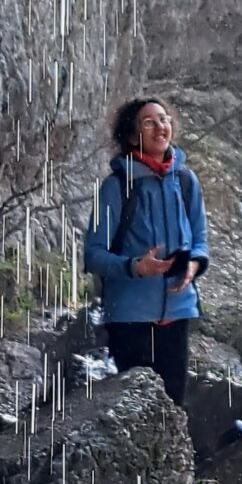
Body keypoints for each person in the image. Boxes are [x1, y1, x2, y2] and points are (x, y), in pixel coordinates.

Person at [83, 96, 209, 406]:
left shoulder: (186, 180)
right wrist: (135, 267)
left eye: (164, 120)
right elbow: (93, 254)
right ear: (131, 135)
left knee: (173, 407)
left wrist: (193, 266)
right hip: (129, 318)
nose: (160, 128)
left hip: (178, 312)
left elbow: (200, 241)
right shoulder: (116, 187)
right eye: (148, 122)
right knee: (133, 411)